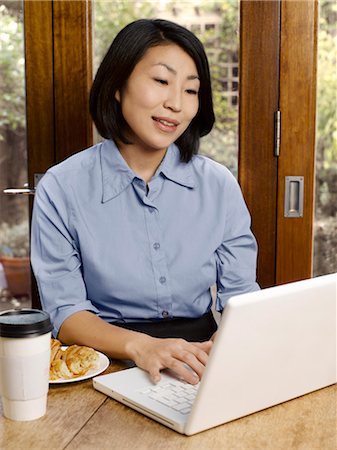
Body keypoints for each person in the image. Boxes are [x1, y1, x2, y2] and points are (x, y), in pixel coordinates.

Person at [31, 19, 259, 385]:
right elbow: (66, 312)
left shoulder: (218, 185)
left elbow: (242, 295)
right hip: (104, 361)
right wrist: (142, 347)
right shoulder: (62, 186)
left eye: (191, 90)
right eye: (161, 81)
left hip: (198, 360)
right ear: (118, 85)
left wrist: (224, 343)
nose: (175, 104)